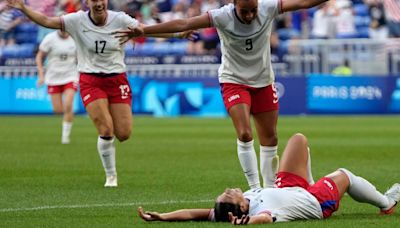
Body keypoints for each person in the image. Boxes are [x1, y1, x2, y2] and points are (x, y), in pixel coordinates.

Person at [114, 0, 329, 189]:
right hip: (233, 81)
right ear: (234, 5)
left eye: (253, 10)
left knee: (270, 138)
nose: (250, 15)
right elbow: (185, 24)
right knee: (245, 133)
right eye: (245, 11)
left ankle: (270, 188)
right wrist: (145, 30)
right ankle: (255, 189)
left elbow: (303, 3)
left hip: (263, 81)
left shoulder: (267, 7)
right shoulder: (221, 16)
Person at [7, 0, 192, 187]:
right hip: (91, 80)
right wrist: (23, 8)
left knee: (124, 133)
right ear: (87, 3)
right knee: (105, 129)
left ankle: (107, 156)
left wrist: (178, 34)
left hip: (117, 79)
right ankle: (111, 176)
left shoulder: (120, 19)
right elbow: (46, 20)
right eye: (94, 0)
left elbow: (145, 29)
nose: (99, 3)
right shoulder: (76, 20)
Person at [138, 133, 400, 224]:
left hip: (290, 187)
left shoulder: (228, 209)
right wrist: (249, 222)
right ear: (241, 208)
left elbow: (195, 214)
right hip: (314, 202)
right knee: (344, 174)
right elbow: (264, 219)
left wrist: (164, 215)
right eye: (230, 194)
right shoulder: (261, 210)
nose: (229, 189)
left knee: (299, 141)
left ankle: (309, 182)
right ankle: (386, 202)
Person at [36, 30, 79, 144]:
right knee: (58, 110)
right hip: (53, 77)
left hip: (71, 76)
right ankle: (66, 120)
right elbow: (39, 56)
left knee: (69, 105)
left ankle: (65, 136)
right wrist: (41, 75)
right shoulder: (50, 38)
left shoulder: (75, 38)